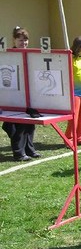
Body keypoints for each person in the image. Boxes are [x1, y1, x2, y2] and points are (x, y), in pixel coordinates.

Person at [2, 27, 40, 161]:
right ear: (14, 40)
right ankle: (19, 152)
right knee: (20, 125)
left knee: (31, 124)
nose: (23, 43)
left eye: (25, 40)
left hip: (29, 95)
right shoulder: (8, 54)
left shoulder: (29, 54)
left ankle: (29, 149)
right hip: (14, 95)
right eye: (20, 40)